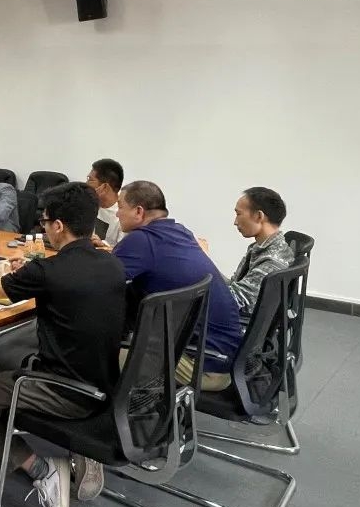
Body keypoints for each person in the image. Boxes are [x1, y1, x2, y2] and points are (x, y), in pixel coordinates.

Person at [0, 183, 126, 507]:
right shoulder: (112, 263)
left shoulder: (48, 271)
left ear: (58, 226)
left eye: (44, 222)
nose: (43, 228)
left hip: (62, 390)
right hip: (106, 385)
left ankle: (43, 469)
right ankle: (80, 450)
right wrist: (33, 269)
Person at [113, 181, 243, 391]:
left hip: (201, 366)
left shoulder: (142, 240)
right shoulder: (180, 231)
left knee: (97, 352)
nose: (117, 213)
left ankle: (114, 409)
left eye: (120, 206)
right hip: (221, 358)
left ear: (138, 211)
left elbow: (98, 282)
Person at [229, 187, 294, 321]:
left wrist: (203, 262)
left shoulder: (272, 260)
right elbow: (235, 286)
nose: (235, 222)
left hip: (239, 326)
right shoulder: (261, 248)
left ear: (259, 216)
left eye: (239, 214)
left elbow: (234, 301)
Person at [85, 158, 126, 247]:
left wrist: (102, 245)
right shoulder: (88, 203)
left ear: (104, 187)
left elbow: (123, 250)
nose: (86, 184)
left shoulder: (124, 214)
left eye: (90, 180)